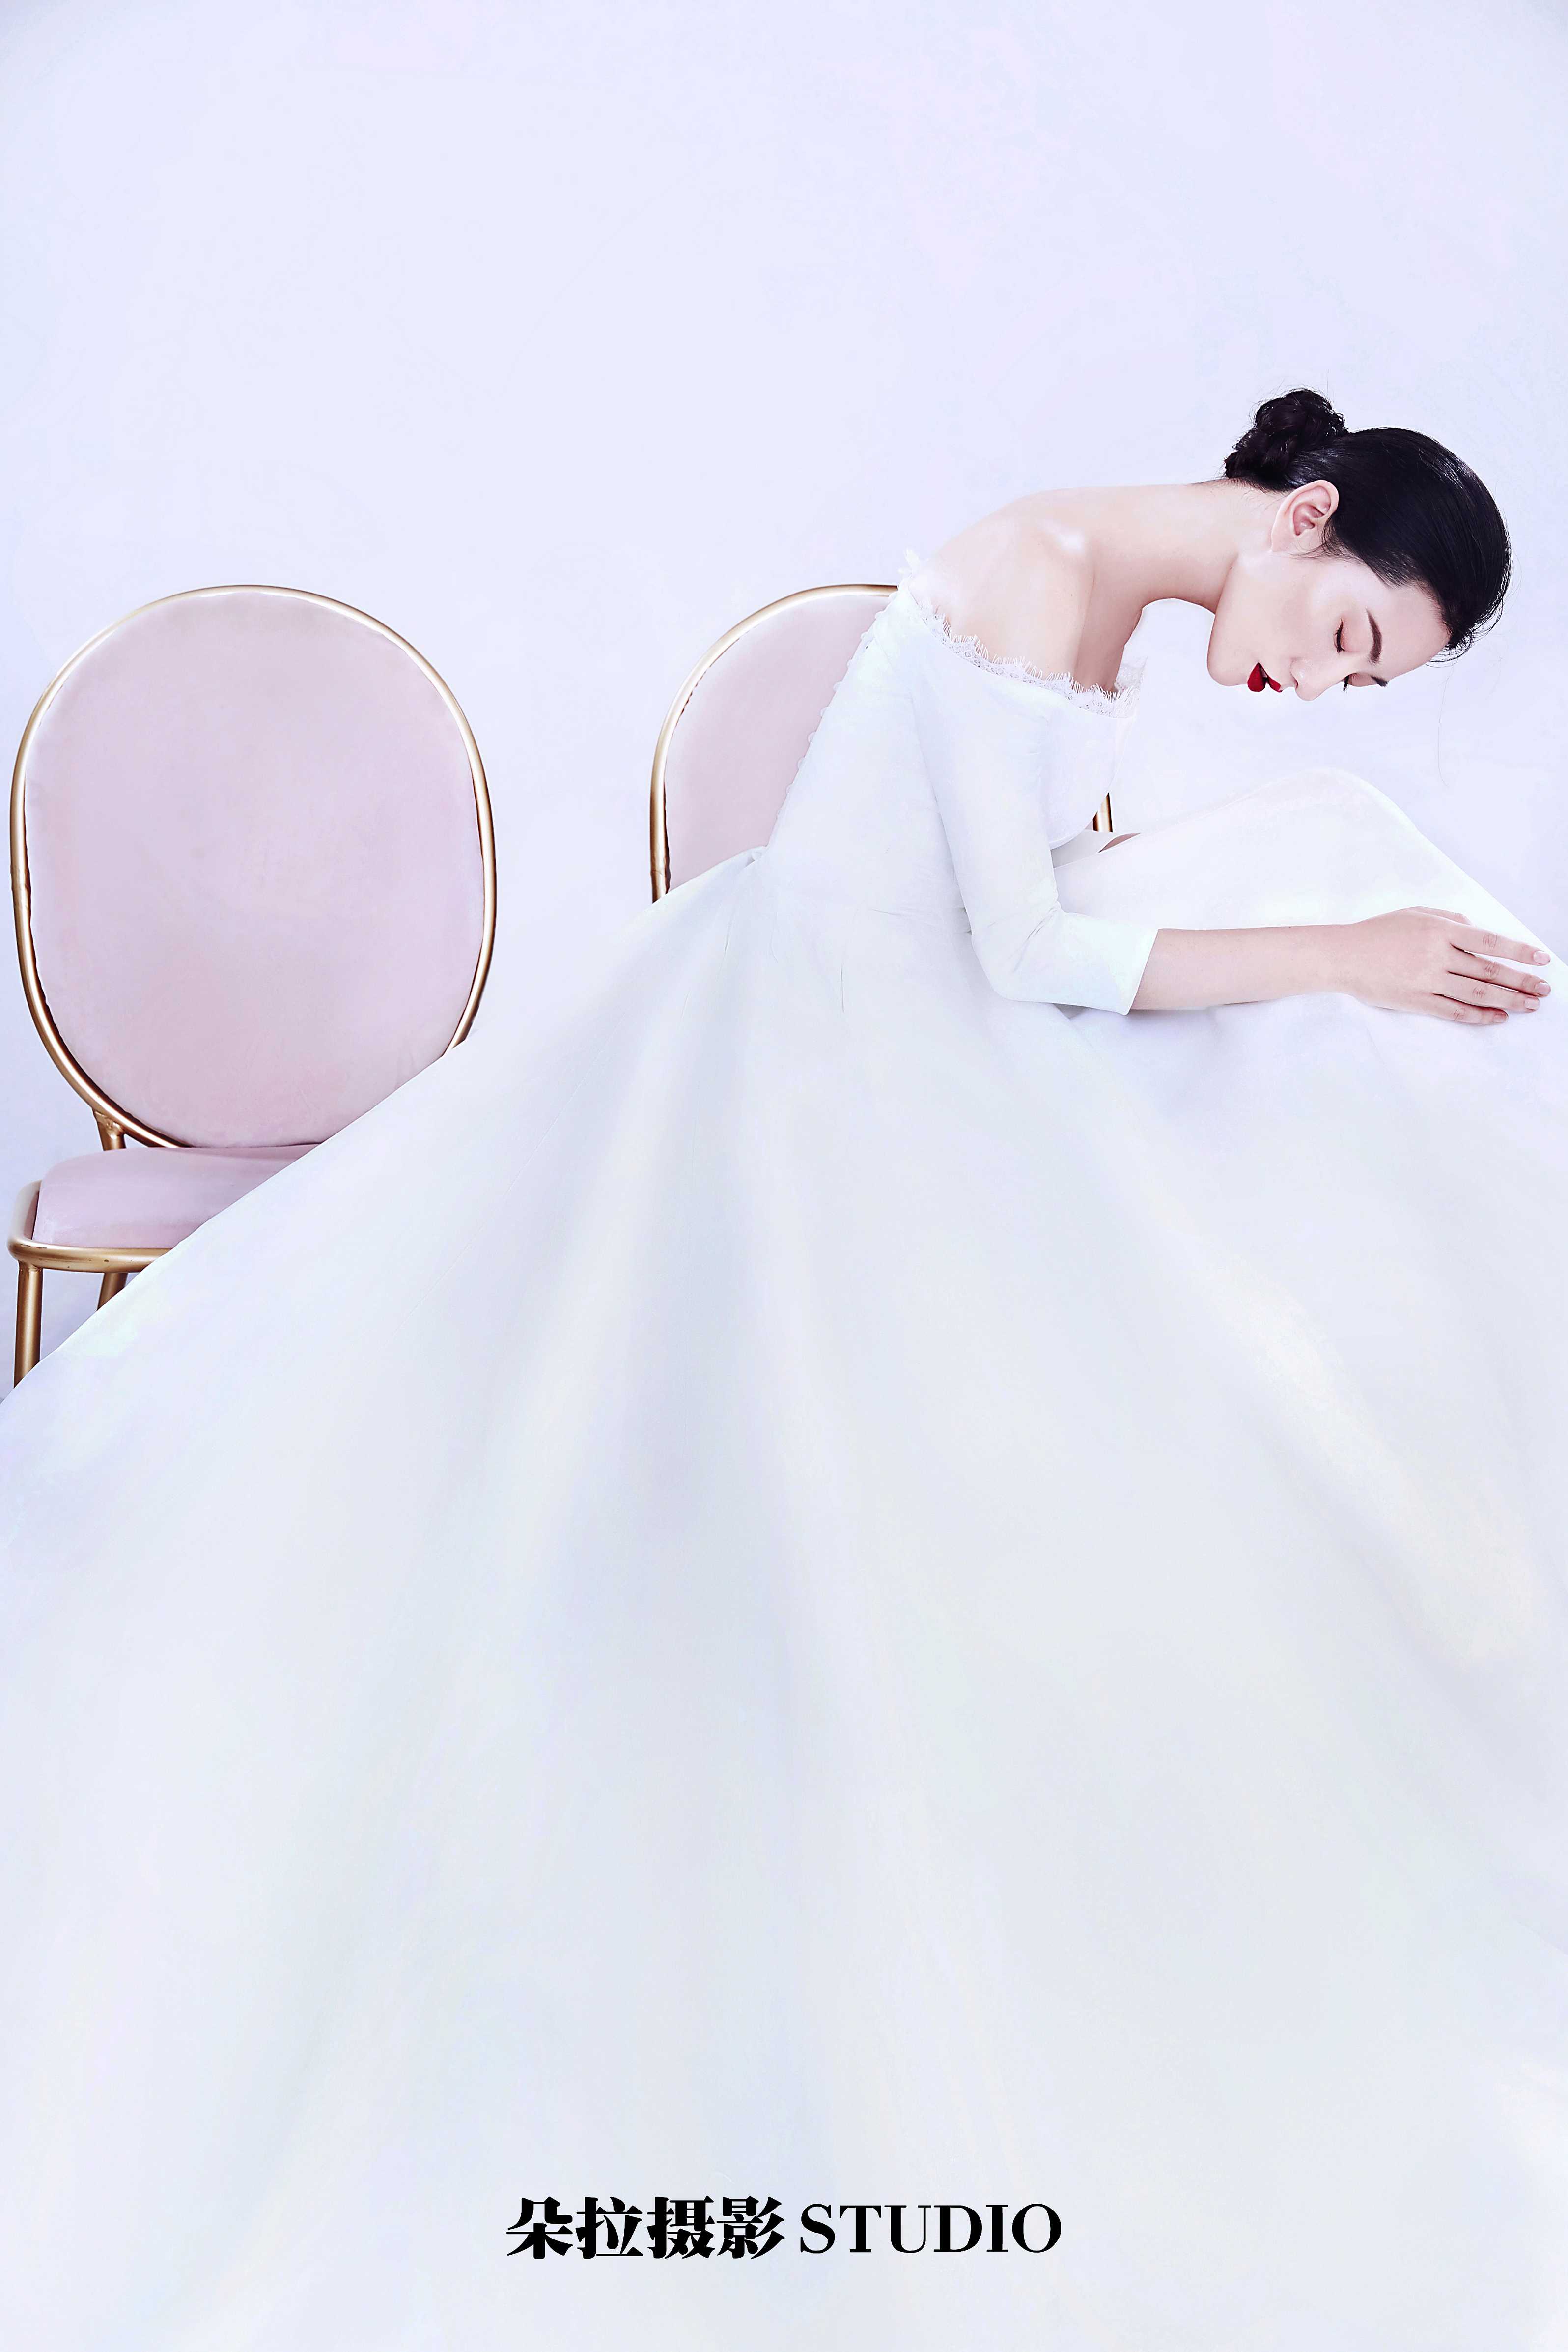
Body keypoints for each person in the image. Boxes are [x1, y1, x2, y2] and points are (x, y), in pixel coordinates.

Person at [2, 389, 1565, 2350]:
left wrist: (1331, 930)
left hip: (923, 1049)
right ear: (1306, 517)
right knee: (1294, 1020)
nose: (1313, 685)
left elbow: (1036, 918)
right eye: (1345, 640)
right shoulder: (1042, 564)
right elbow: (1024, 950)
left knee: (1309, 993)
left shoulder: (1120, 597)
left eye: (1358, 682)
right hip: (825, 1070)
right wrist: (1344, 951)